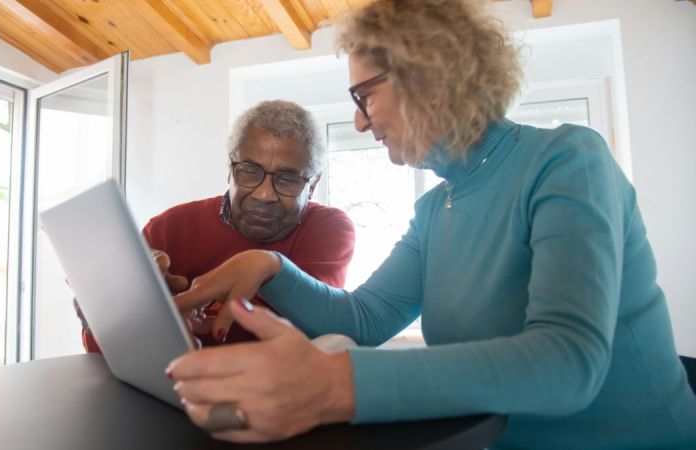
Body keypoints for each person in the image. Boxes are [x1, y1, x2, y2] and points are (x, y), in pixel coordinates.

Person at [166, 0, 696, 448]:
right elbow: (363, 321)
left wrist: (336, 385)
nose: (359, 120)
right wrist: (269, 265)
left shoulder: (567, 161)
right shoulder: (433, 209)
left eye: (364, 95)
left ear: (430, 78)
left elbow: (568, 363)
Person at [77, 100, 355, 351]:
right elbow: (104, 352)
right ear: (229, 170)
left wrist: (167, 318)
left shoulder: (327, 229)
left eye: (288, 180)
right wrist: (100, 314)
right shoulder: (168, 228)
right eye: (249, 172)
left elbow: (306, 327)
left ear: (313, 184)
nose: (264, 194)